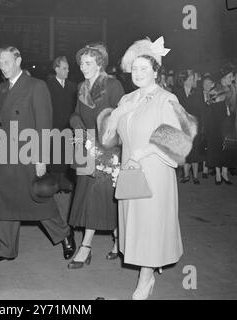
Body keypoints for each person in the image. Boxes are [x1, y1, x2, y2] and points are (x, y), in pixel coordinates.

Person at [100, 36, 197, 299]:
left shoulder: (166, 99)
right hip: (131, 171)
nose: (138, 73)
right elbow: (109, 139)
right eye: (135, 67)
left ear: (156, 71)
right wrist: (117, 115)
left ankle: (146, 278)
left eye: (145, 68)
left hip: (155, 171)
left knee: (151, 225)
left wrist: (146, 150)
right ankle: (147, 271)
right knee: (135, 225)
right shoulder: (127, 98)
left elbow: (181, 140)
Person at [0, 46, 76, 264]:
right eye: (0, 63)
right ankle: (5, 249)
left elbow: (44, 124)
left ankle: (64, 234)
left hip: (28, 152)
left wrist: (41, 158)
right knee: (3, 201)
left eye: (6, 62)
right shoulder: (3, 89)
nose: (2, 67)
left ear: (18, 61)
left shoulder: (36, 86)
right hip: (6, 152)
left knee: (37, 199)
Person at [67, 43, 125, 269]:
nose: (83, 67)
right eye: (81, 63)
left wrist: (105, 143)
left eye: (88, 63)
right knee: (96, 197)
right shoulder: (81, 86)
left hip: (106, 149)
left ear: (100, 64)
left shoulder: (113, 84)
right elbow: (75, 113)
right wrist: (76, 124)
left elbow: (121, 116)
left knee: (96, 196)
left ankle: (86, 247)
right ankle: (119, 237)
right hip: (85, 146)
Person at [46, 56, 77, 193]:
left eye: (68, 68)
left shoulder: (73, 87)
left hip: (69, 128)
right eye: (64, 68)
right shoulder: (48, 86)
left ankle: (65, 184)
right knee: (54, 157)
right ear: (56, 69)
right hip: (54, 127)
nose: (67, 71)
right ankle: (54, 185)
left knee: (67, 156)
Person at [205, 65, 236, 184]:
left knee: (228, 148)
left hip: (229, 124)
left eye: (232, 77)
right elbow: (210, 105)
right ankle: (218, 173)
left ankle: (224, 173)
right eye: (229, 77)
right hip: (216, 123)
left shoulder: (233, 89)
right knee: (217, 148)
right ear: (223, 78)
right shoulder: (215, 90)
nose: (231, 79)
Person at [174, 70, 203, 184]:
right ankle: (186, 175)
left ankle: (195, 176)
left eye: (192, 79)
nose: (192, 81)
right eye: (190, 79)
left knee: (195, 151)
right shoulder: (177, 92)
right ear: (184, 81)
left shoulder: (197, 92)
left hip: (194, 126)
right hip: (181, 126)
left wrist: (200, 126)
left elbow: (200, 111)